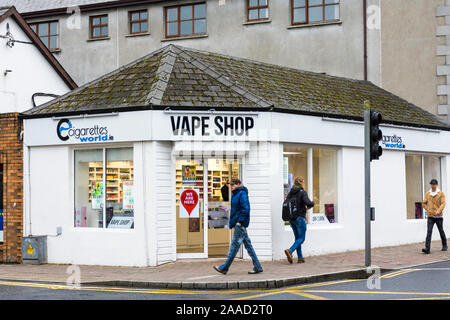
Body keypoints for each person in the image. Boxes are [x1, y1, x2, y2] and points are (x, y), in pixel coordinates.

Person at [213, 178, 263, 275]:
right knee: (248, 245)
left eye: (233, 185)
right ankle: (257, 266)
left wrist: (240, 221)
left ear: (238, 184)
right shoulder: (236, 193)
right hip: (238, 222)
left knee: (234, 246)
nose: (231, 187)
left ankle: (224, 267)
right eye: (230, 185)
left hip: (240, 223)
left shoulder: (242, 193)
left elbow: (246, 208)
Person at [284, 177, 314, 264]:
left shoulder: (290, 193)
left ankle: (300, 258)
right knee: (301, 238)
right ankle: (290, 250)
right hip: (299, 218)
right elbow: (308, 203)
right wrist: (312, 203)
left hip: (291, 219)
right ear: (302, 183)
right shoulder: (302, 192)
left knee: (297, 238)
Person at [422, 179, 448, 254]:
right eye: (431, 184)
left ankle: (445, 245)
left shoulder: (441, 193)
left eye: (434, 184)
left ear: (436, 185)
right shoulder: (428, 193)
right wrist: (428, 209)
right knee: (429, 232)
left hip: (439, 217)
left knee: (441, 231)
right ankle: (427, 248)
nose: (432, 186)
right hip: (430, 216)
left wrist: (439, 210)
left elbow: (443, 203)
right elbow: (423, 203)